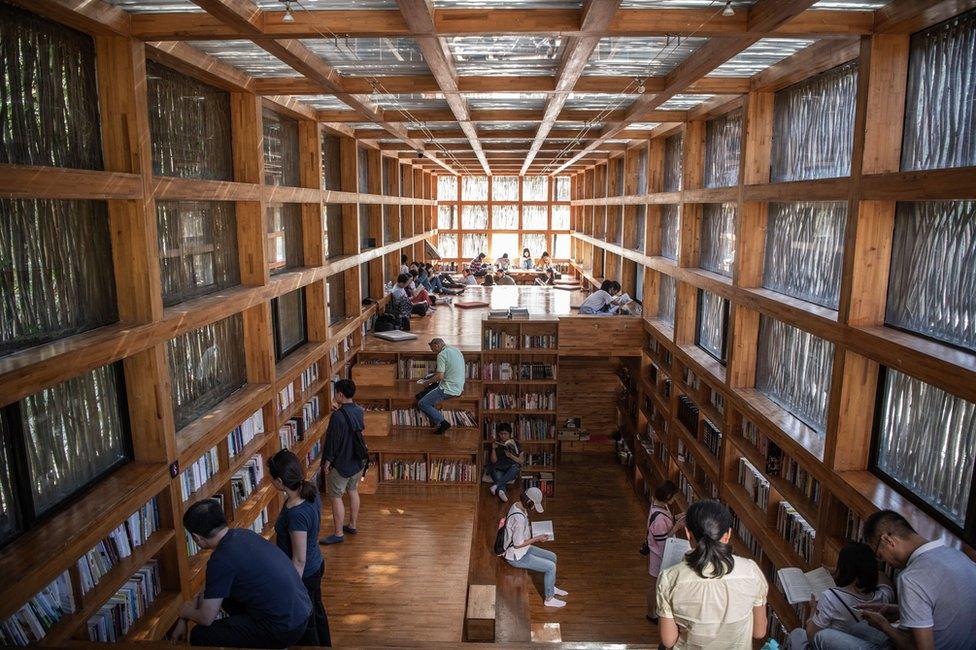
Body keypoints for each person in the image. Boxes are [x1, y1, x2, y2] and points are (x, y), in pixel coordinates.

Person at [172, 499, 313, 648]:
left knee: (200, 635)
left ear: (196, 537)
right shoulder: (243, 534)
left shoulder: (220, 560)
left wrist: (187, 613)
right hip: (302, 611)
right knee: (224, 598)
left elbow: (206, 618)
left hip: (283, 628)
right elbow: (209, 589)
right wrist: (184, 617)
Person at [857, 509, 976, 650]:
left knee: (826, 636)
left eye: (880, 555)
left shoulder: (911, 579)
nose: (883, 561)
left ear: (888, 540)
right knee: (856, 629)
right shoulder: (958, 556)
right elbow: (946, 613)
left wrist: (884, 626)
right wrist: (900, 610)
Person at [657, 499, 768, 649]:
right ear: (728, 535)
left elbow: (668, 641)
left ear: (688, 534)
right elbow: (759, 632)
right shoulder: (751, 571)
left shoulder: (670, 578)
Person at [268, 450, 331, 646]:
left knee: (306, 621)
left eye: (271, 478)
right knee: (316, 611)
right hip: (316, 563)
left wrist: (291, 587)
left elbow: (299, 559)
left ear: (279, 481)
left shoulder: (296, 513)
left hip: (305, 573)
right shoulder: (308, 491)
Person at [788, 542, 894, 650]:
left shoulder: (830, 597)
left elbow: (811, 637)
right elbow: (883, 576)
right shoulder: (883, 597)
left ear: (844, 568)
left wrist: (813, 609)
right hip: (867, 643)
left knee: (797, 635)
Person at [502, 487, 568, 608]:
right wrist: (537, 538)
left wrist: (536, 532)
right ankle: (549, 598)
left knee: (552, 556)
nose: (533, 508)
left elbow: (520, 532)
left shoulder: (518, 506)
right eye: (534, 504)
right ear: (529, 502)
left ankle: (550, 586)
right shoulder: (519, 519)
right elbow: (517, 544)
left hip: (524, 549)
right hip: (516, 556)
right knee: (550, 567)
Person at [319, 379, 367, 545]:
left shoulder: (337, 417)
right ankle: (352, 525)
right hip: (357, 461)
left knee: (336, 496)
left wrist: (326, 462)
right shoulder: (359, 410)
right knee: (353, 490)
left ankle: (338, 533)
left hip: (342, 463)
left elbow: (332, 442)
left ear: (340, 394)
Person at [646, 481, 685, 623]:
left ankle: (654, 612)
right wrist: (677, 527)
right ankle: (651, 613)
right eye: (673, 497)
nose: (674, 500)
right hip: (659, 555)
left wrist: (676, 517)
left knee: (655, 584)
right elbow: (663, 540)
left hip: (658, 552)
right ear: (668, 496)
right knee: (655, 585)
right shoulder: (659, 519)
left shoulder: (659, 505)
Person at [416, 338, 465, 435]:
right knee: (429, 388)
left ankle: (443, 423)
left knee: (422, 403)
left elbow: (440, 376)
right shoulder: (456, 350)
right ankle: (423, 395)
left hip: (448, 389)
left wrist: (427, 382)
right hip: (459, 385)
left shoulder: (441, 354)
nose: (433, 351)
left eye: (433, 349)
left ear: (437, 345)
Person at [483, 422, 523, 502]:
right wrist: (493, 449)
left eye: (505, 434)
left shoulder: (516, 444)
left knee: (516, 468)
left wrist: (510, 456)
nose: (503, 436)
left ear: (510, 434)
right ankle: (501, 491)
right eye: (501, 434)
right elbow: (493, 461)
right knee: (497, 475)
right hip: (498, 468)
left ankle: (496, 485)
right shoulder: (495, 444)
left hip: (510, 469)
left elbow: (521, 461)